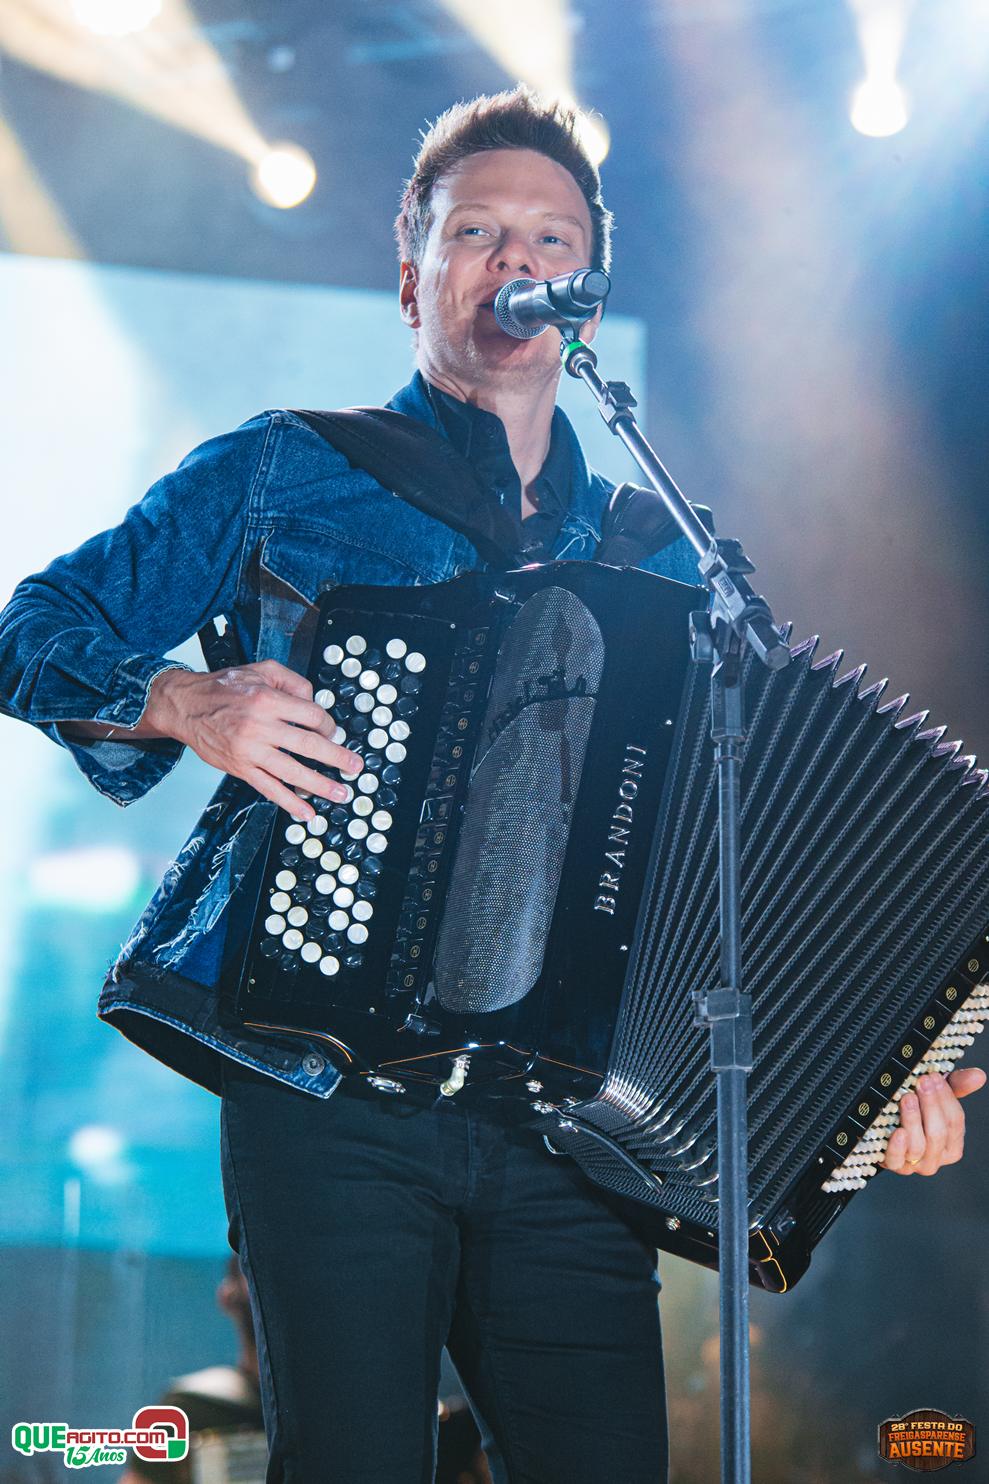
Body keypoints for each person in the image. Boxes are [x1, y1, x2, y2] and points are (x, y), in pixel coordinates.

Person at [0, 88, 982, 1484]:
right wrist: (181, 700)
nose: (514, 260)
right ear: (412, 276)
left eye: (549, 239)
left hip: (570, 1132)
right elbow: (32, 628)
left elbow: (731, 869)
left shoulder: (659, 554)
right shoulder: (287, 469)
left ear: (585, 297)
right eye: (474, 232)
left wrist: (876, 1087)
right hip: (323, 1092)